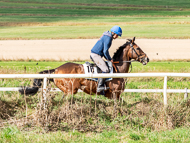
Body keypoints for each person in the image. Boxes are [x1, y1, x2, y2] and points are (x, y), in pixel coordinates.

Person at [90, 25, 122, 93]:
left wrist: (108, 59)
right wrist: (110, 59)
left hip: (96, 54)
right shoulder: (108, 38)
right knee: (106, 69)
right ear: (113, 32)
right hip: (96, 55)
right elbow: (105, 51)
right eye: (117, 35)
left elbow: (104, 51)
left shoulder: (107, 36)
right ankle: (100, 87)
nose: (117, 37)